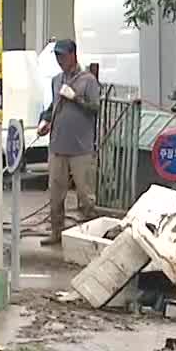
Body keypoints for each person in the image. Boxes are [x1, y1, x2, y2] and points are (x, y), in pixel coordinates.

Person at [37, 39, 100, 246]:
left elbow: (95, 108)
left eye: (62, 56)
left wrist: (75, 99)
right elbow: (51, 107)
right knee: (56, 191)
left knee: (85, 193)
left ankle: (91, 235)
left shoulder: (88, 81)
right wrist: (44, 121)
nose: (60, 60)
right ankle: (56, 231)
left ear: (73, 55)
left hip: (80, 147)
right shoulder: (56, 80)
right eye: (57, 56)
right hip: (57, 145)